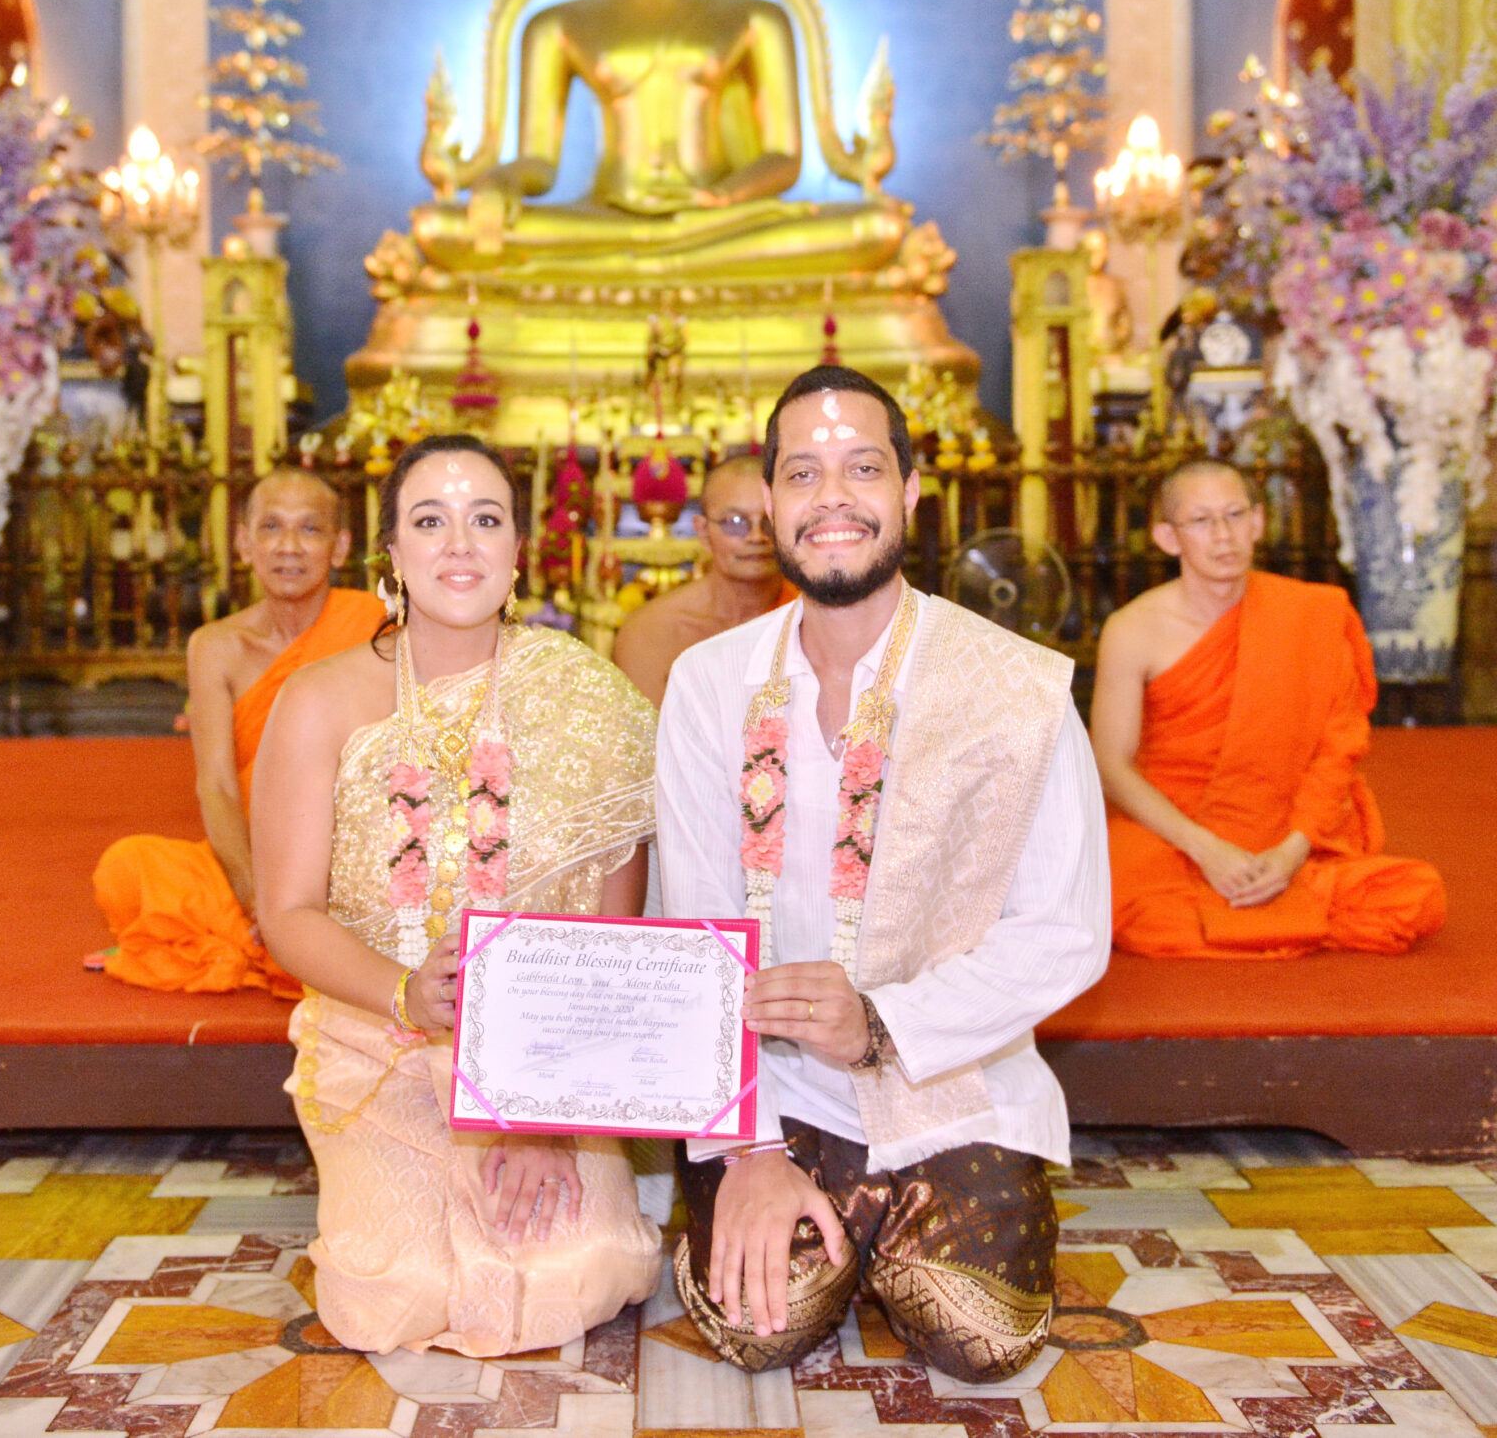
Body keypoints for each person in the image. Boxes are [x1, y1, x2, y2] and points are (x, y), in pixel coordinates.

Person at [655, 365, 1111, 1382]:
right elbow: (691, 926)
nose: (831, 499)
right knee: (757, 1329)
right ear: (768, 500)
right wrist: (750, 1154)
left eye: (862, 468)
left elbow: (1067, 930)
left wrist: (882, 1024)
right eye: (802, 473)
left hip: (947, 1074)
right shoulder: (707, 684)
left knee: (977, 1332)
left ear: (909, 492)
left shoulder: (1012, 687)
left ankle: (888, 1230)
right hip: (765, 1087)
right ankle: (804, 1207)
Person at [254, 435, 663, 1357]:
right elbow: (286, 910)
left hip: (548, 1061)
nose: (459, 545)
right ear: (390, 555)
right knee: (394, 1294)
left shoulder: (587, 698)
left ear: (520, 550)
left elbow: (616, 936)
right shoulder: (319, 700)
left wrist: (542, 1113)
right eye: (429, 522)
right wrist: (407, 993)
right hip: (381, 1039)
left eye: (485, 520)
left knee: (579, 1269)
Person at [1091, 459, 1446, 959]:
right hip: (1173, 832)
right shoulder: (1133, 630)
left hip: (1282, 832)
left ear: (1258, 523)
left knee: (1417, 895)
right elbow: (1110, 764)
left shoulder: (1311, 615)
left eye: (1235, 515)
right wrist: (1206, 849)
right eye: (1201, 521)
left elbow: (1337, 751)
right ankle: (1295, 918)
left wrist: (1289, 854)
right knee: (1108, 889)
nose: (1223, 535)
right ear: (1168, 538)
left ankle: (1266, 905)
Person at [90, 469, 385, 995]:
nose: (288, 547)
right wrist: (260, 899)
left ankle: (280, 944)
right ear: (245, 545)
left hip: (354, 858)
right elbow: (217, 787)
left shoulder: (377, 628)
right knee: (125, 869)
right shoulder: (215, 646)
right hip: (255, 858)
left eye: (310, 530)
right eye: (271, 528)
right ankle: (277, 940)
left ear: (339, 548)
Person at [612, 456, 792, 707]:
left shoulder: (815, 617)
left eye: (770, 521)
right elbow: (648, 741)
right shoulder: (653, 632)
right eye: (735, 522)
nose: (756, 536)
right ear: (703, 532)